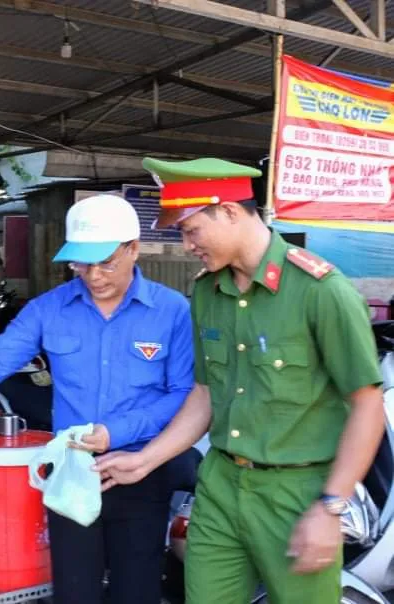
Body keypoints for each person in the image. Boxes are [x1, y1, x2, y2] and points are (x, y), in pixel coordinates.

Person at [95, 157, 385, 604]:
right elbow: (205, 393)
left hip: (296, 493)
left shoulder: (321, 291)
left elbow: (367, 405)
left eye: (191, 230)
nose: (187, 244)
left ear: (229, 211)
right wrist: (147, 460)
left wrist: (331, 506)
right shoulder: (208, 293)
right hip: (221, 485)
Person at [0, 194, 194, 604]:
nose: (94, 276)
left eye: (106, 263)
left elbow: (183, 395)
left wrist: (116, 432)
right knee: (74, 591)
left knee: (136, 590)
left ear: (133, 249)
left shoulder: (172, 311)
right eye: (82, 264)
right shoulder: (49, 309)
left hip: (141, 469)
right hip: (71, 474)